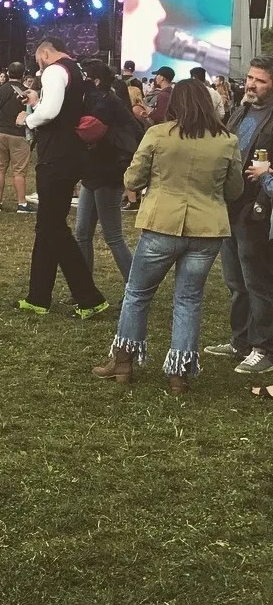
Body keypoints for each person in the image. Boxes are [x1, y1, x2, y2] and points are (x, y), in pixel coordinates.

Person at [93, 79, 243, 393]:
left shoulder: (158, 135)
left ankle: (123, 362)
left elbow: (133, 179)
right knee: (188, 301)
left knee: (137, 294)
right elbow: (234, 190)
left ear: (175, 103)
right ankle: (180, 374)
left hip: (161, 224)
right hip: (207, 229)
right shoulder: (227, 140)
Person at [14, 38, 109, 318]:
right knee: (47, 227)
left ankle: (89, 297)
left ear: (45, 52)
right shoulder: (75, 70)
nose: (38, 65)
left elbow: (52, 111)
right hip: (69, 154)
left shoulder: (55, 70)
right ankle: (38, 296)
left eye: (38, 59)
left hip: (56, 156)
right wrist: (37, 101)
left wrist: (27, 119)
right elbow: (61, 107)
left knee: (54, 228)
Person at [204, 55, 273, 375]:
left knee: (257, 280)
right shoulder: (241, 110)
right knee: (235, 280)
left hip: (257, 209)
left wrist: (265, 184)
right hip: (229, 204)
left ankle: (264, 347)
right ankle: (241, 341)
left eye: (260, 80)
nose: (251, 84)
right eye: (250, 78)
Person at [74, 60, 137, 284]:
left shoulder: (107, 102)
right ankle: (83, 287)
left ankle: (135, 288)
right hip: (93, 172)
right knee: (82, 233)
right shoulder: (100, 100)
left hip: (108, 172)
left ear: (95, 80)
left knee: (113, 236)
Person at [0, 61, 35, 214]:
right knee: (19, 171)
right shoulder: (27, 93)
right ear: (23, 75)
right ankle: (21, 204)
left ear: (7, 73)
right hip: (19, 133)